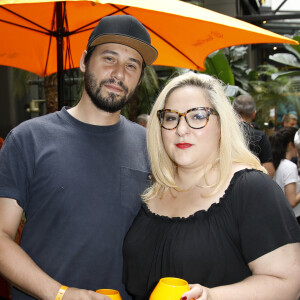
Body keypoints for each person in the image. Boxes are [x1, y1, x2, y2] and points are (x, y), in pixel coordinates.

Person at [0, 15, 158, 300]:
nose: (119, 74)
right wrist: (61, 294)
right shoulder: (28, 139)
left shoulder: (151, 146)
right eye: (109, 58)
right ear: (85, 60)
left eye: (132, 65)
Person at [123, 72, 300, 300]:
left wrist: (211, 296)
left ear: (221, 124)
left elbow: (289, 283)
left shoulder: (251, 189)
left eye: (197, 116)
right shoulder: (153, 191)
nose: (181, 129)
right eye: (170, 117)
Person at [232, 94, 275, 177]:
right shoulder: (260, 137)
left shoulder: (222, 133)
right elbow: (269, 170)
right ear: (254, 114)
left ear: (232, 112)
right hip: (251, 184)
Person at [270, 127, 300, 210]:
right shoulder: (289, 166)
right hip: (294, 217)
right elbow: (291, 201)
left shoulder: (273, 163)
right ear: (291, 144)